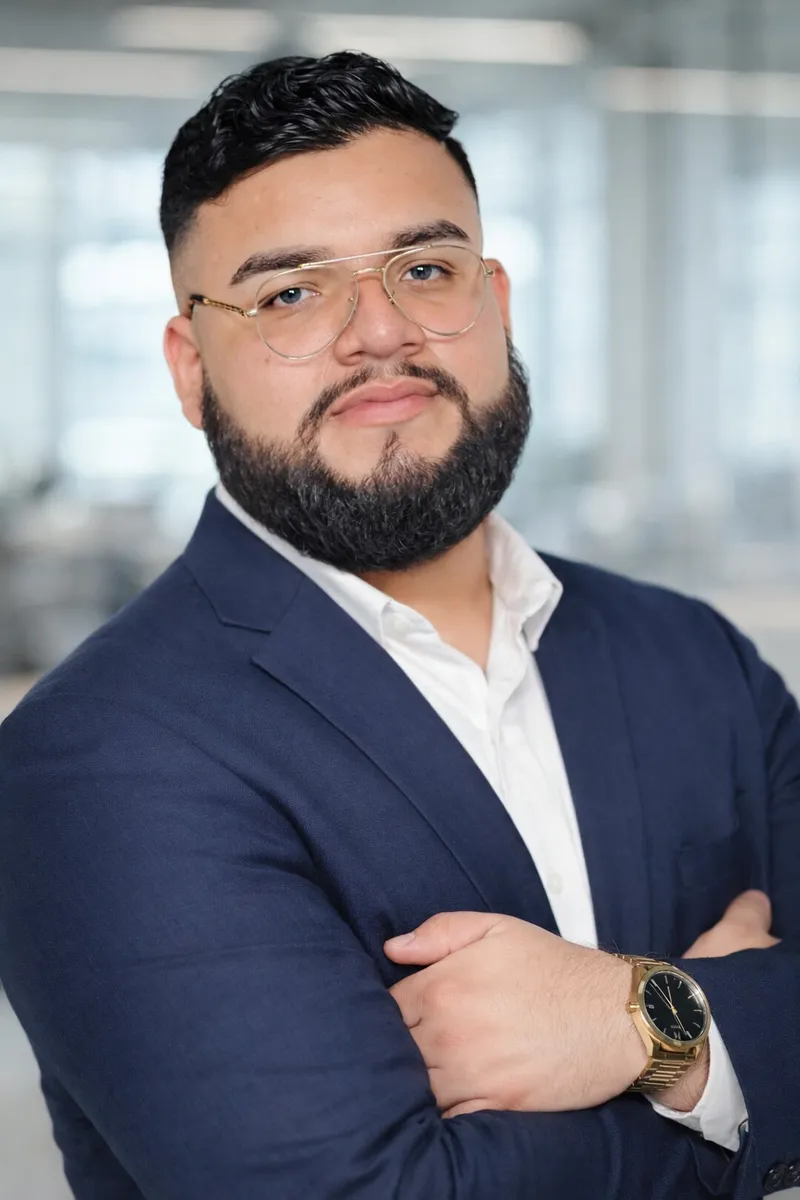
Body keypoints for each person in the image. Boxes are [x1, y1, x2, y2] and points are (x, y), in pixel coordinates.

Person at [0, 51, 798, 1200]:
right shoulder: (107, 754)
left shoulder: (692, 659)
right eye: (289, 293)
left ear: (495, 302)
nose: (378, 332)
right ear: (190, 372)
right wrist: (720, 1043)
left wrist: (633, 1024)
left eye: (424, 267)